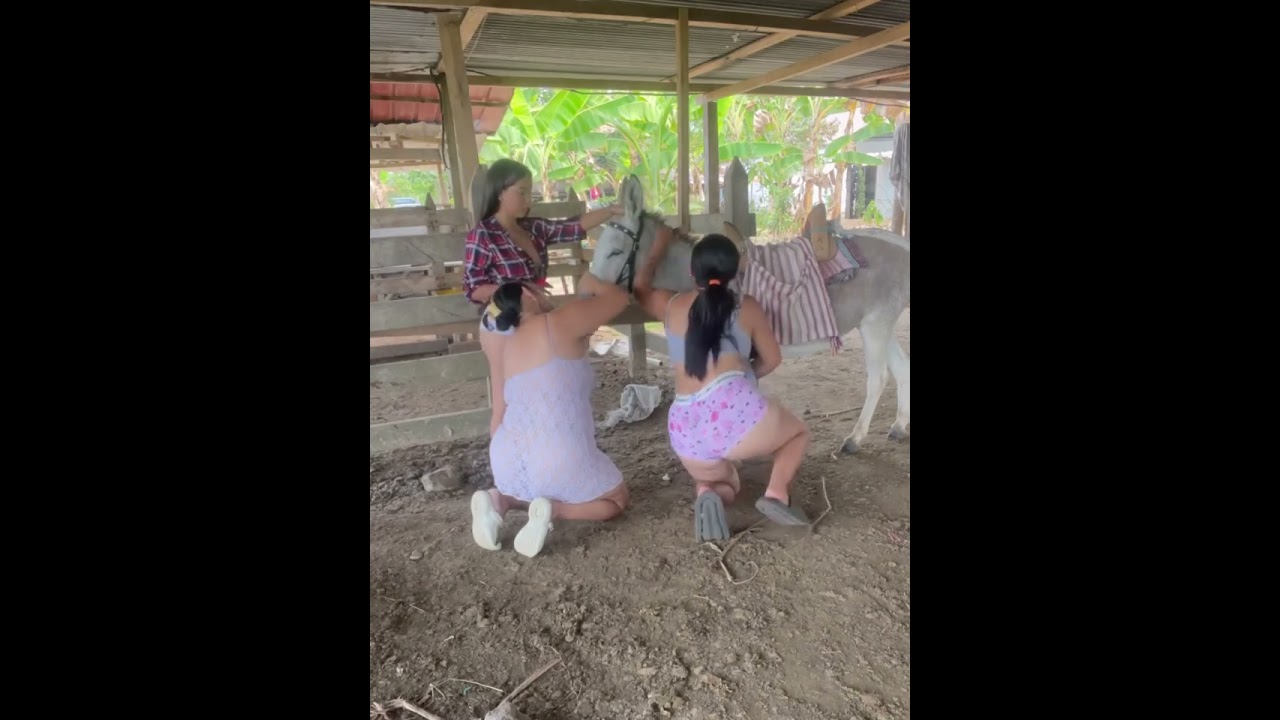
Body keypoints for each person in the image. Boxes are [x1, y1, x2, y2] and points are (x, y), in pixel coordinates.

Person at [633, 227, 811, 542]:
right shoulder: (748, 306)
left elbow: (640, 289)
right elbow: (772, 359)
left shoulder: (671, 305)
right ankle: (776, 493)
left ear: (691, 271)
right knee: (796, 435)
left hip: (684, 427)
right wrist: (746, 378)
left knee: (727, 483)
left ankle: (707, 492)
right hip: (733, 410)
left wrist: (659, 243)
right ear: (734, 272)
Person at [470, 273, 632, 558]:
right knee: (616, 501)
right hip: (558, 453)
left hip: (506, 454)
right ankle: (555, 511)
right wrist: (592, 282)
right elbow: (619, 299)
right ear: (529, 294)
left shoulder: (506, 343)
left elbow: (499, 410)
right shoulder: (558, 321)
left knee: (527, 489)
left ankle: (499, 501)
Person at [463, 159, 624, 436]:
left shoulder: (533, 228)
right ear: (501, 192)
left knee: (538, 393)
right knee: (504, 398)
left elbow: (572, 228)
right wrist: (517, 286)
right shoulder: (483, 235)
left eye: (530, 191)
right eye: (522, 191)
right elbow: (473, 288)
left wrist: (610, 210)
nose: (528, 198)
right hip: (504, 323)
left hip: (535, 321)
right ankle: (502, 459)